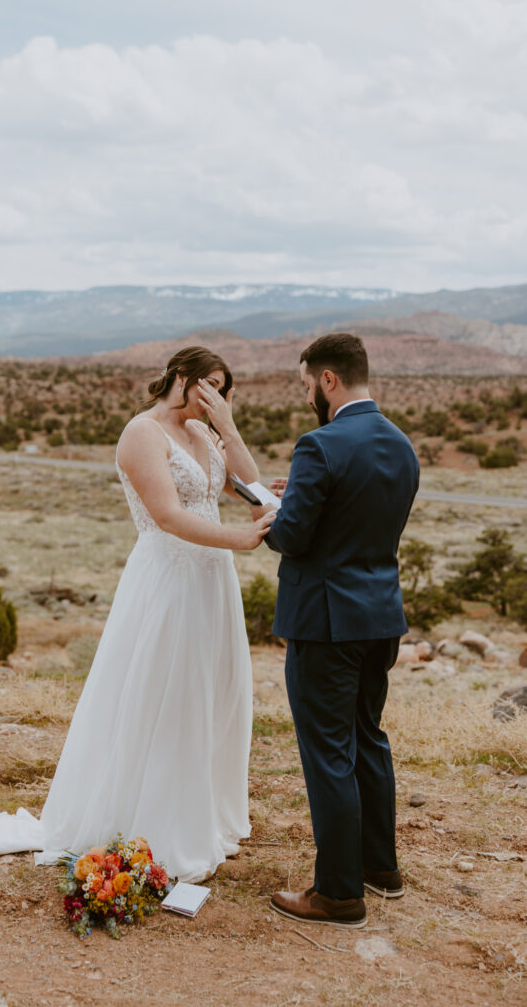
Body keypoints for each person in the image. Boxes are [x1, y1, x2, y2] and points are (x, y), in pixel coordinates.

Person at [0, 346, 275, 882]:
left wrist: (229, 426)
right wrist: (240, 541)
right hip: (168, 578)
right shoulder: (142, 434)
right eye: (209, 386)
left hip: (211, 582)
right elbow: (169, 516)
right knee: (165, 694)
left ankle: (202, 819)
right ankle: (155, 825)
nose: (215, 396)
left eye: (224, 389)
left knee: (212, 693)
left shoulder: (204, 433)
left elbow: (253, 491)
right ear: (181, 377)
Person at [254, 333, 419, 928]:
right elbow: (362, 520)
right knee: (367, 737)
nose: (307, 397)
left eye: (307, 385)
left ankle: (339, 893)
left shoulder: (319, 445)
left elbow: (295, 538)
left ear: (328, 380)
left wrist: (272, 516)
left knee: (328, 753)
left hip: (325, 622)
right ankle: (381, 868)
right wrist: (298, 496)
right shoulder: (401, 444)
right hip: (381, 617)